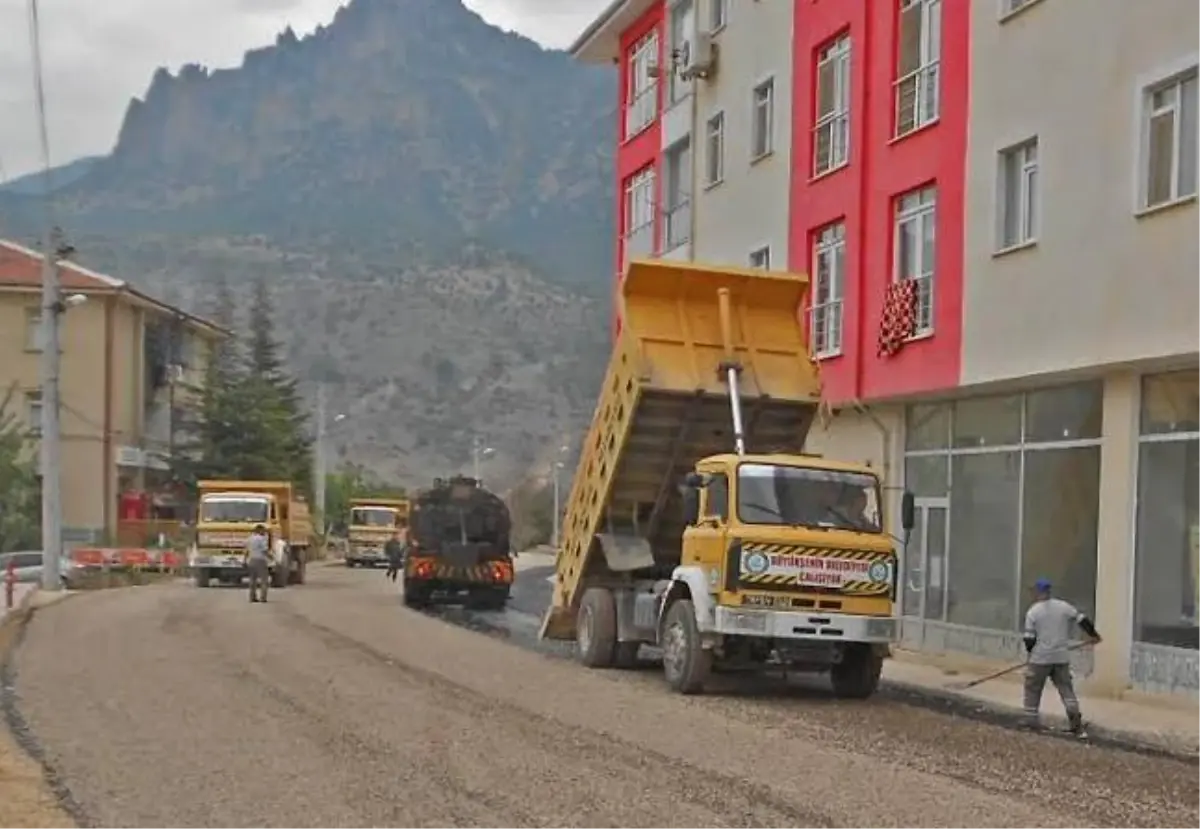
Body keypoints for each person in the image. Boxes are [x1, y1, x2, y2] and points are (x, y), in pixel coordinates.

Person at [1022, 578, 1102, 735]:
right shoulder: (1063, 607)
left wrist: (1030, 654)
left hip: (1040, 658)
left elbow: (1029, 638)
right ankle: (1075, 723)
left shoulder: (1033, 612)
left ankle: (1031, 722)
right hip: (1060, 657)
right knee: (1066, 690)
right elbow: (1082, 619)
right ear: (1049, 591)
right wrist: (1094, 635)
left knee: (1033, 689)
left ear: (1038, 592)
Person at [245, 524, 272, 603]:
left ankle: (252, 597)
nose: (265, 532)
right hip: (260, 560)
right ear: (260, 530)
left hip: (251, 560)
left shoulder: (249, 539)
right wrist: (271, 557)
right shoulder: (262, 539)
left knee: (252, 580)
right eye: (264, 531)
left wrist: (244, 560)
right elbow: (264, 550)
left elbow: (247, 551)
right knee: (264, 580)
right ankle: (263, 598)